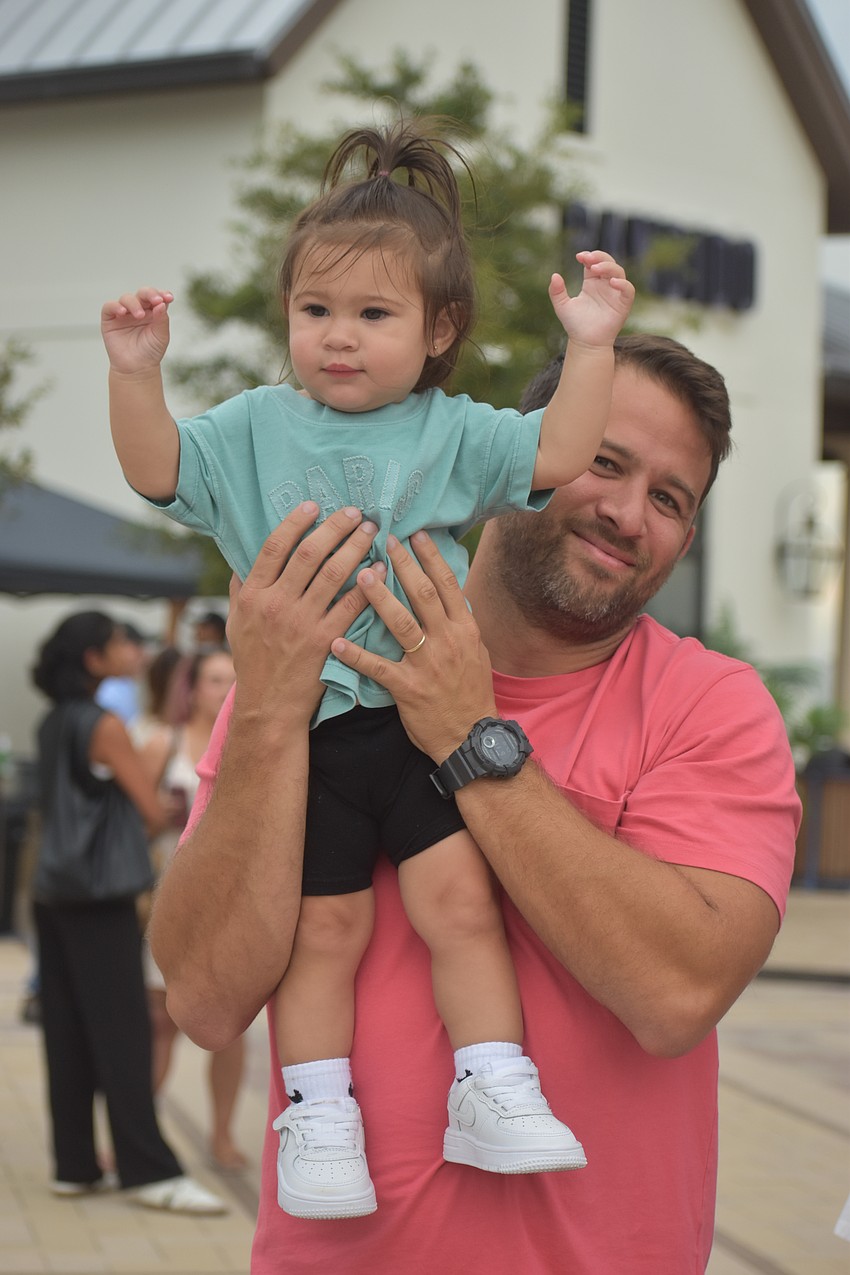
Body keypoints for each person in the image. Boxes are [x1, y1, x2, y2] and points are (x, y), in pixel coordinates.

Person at [150, 333, 800, 1272]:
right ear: (530, 451)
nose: (626, 512)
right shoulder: (312, 667)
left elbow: (676, 993)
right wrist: (266, 716)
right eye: (605, 462)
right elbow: (204, 1000)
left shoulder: (711, 706)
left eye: (669, 498)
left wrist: (469, 737)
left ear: (687, 538)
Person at [102, 117, 634, 1216]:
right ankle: (317, 1113)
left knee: (459, 905)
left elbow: (559, 454)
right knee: (324, 931)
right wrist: (135, 375)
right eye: (316, 311)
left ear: (438, 330)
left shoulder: (451, 432)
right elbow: (158, 472)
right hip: (304, 737)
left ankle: (491, 1083)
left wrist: (589, 348)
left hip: (421, 720)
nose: (338, 337)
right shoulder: (251, 429)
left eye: (373, 314)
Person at [30, 612, 227, 1216]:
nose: (132, 649)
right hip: (101, 895)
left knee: (65, 1028)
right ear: (93, 658)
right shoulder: (104, 724)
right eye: (119, 641)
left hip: (53, 891)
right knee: (124, 1032)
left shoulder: (53, 721)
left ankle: (75, 1164)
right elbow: (149, 810)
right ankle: (149, 1171)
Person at [134, 646, 247, 1171]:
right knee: (160, 1022)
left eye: (232, 678)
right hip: (168, 896)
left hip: (231, 903)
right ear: (192, 687)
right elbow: (135, 825)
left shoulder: (252, 744)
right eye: (213, 679)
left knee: (233, 1025)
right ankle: (139, 1132)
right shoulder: (165, 742)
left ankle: (222, 1136)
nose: (224, 688)